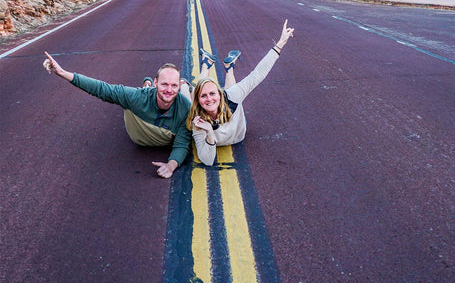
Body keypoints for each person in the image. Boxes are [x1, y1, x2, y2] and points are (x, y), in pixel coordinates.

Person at [43, 53, 191, 178]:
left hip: (164, 136)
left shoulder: (185, 107)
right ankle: (147, 86)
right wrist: (63, 73)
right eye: (164, 84)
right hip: (140, 126)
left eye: (174, 85)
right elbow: (103, 89)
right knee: (137, 95)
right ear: (156, 82)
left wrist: (171, 165)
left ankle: (182, 84)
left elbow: (182, 143)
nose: (169, 90)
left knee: (189, 96)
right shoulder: (137, 97)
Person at [188, 20, 294, 166]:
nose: (209, 99)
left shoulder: (231, 95)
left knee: (233, 92)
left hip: (238, 133)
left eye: (213, 94)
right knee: (200, 91)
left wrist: (280, 43)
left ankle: (211, 65)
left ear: (220, 93)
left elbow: (257, 75)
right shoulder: (198, 122)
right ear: (199, 101)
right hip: (223, 128)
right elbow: (207, 160)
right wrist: (209, 133)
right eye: (204, 97)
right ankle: (226, 67)